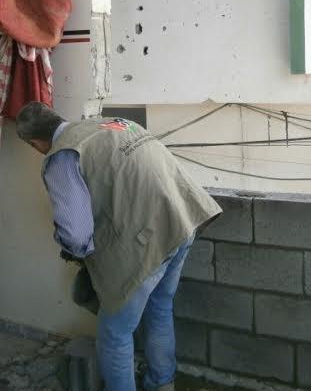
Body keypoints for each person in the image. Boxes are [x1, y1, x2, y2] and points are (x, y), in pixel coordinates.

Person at [15, 102, 222, 391]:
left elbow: (76, 236)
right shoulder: (115, 123)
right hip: (183, 220)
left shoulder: (62, 156)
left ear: (34, 143)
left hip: (146, 244)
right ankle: (162, 384)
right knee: (160, 308)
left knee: (114, 335)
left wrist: (76, 252)